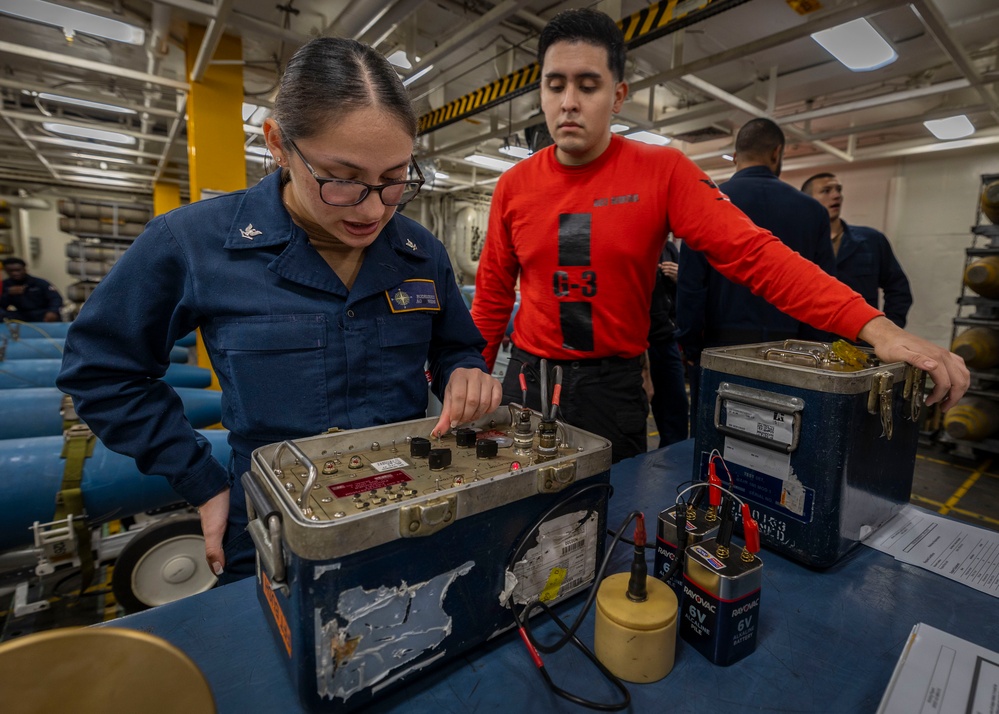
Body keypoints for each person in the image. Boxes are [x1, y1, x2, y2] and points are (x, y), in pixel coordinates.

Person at [57, 37, 502, 583]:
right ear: (278, 145)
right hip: (271, 522)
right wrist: (201, 479)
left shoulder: (419, 251)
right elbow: (102, 371)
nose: (371, 209)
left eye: (393, 180)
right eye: (343, 179)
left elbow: (454, 345)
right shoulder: (193, 243)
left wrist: (465, 369)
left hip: (406, 504)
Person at [471, 8, 967, 464]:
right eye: (555, 85)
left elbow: (757, 255)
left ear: (618, 96)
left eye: (588, 85)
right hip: (525, 382)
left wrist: (879, 329)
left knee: (604, 512)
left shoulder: (662, 172)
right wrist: (473, 372)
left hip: (610, 388)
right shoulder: (514, 185)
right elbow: (493, 295)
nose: (568, 103)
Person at [677, 118, 835, 429]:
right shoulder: (813, 212)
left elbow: (691, 286)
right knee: (784, 442)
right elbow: (823, 288)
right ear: (777, 153)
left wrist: (691, 348)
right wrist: (815, 351)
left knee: (714, 437)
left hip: (721, 352)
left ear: (736, 156)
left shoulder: (706, 204)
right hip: (792, 356)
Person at [801, 172, 913, 327]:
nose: (836, 195)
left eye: (838, 190)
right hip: (811, 335)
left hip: (859, 334)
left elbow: (898, 288)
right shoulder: (797, 244)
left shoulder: (872, 240)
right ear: (807, 201)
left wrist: (889, 327)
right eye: (826, 191)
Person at [648, 238, 689, 446]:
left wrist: (679, 278)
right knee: (631, 418)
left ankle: (670, 462)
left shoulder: (669, 249)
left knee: (676, 413)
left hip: (665, 341)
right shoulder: (634, 243)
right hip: (635, 344)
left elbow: (687, 291)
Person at [1, 257, 63, 322]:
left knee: (54, 316)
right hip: (21, 314)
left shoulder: (39, 282)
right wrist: (7, 293)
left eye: (18, 270)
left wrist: (53, 311)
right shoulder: (4, 285)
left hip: (42, 312)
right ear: (6, 271)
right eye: (11, 271)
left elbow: (56, 298)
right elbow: (2, 305)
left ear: (25, 269)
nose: (15, 273)